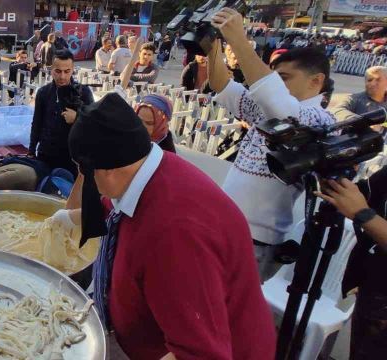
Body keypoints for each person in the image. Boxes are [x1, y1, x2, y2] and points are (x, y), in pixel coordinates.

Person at [52, 90, 275, 360]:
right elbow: (110, 208)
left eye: (86, 172)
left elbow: (200, 353)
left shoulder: (175, 235)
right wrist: (65, 219)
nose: (88, 182)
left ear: (108, 169)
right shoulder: (145, 170)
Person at [207, 8, 336, 282]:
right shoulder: (268, 111)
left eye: (284, 78)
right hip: (225, 225)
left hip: (255, 240)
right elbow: (222, 86)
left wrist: (240, 41)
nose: (276, 84)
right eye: (274, 78)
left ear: (316, 81)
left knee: (229, 312)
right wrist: (212, 46)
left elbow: (280, 106)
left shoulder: (320, 121)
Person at [314, 171, 387, 359]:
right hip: (372, 292)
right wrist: (332, 176)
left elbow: (360, 209)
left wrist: (364, 214)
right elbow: (358, 195)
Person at [29, 50, 94, 175]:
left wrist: (77, 117)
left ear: (72, 69)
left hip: (72, 158)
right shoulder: (43, 93)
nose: (62, 76)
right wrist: (31, 151)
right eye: (58, 71)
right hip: (46, 155)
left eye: (67, 71)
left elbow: (94, 124)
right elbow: (37, 123)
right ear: (51, 69)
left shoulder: (83, 92)